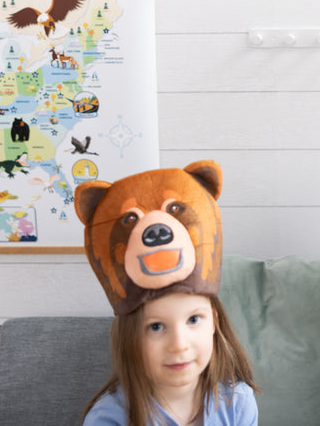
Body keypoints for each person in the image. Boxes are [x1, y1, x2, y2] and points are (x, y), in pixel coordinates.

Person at [75, 161, 259, 426]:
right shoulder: (109, 418)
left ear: (214, 322)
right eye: (156, 326)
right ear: (130, 337)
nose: (179, 344)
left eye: (194, 319)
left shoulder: (238, 404)